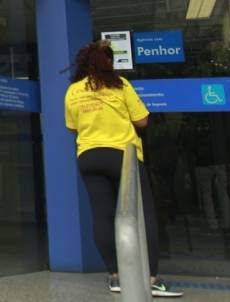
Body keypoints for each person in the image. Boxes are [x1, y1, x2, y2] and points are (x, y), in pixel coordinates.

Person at [65, 40, 182, 297]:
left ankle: (116, 277)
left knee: (102, 215)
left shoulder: (73, 91)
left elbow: (72, 127)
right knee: (143, 214)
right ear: (107, 62)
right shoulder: (120, 84)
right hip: (122, 156)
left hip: (89, 157)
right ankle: (151, 279)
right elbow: (142, 121)